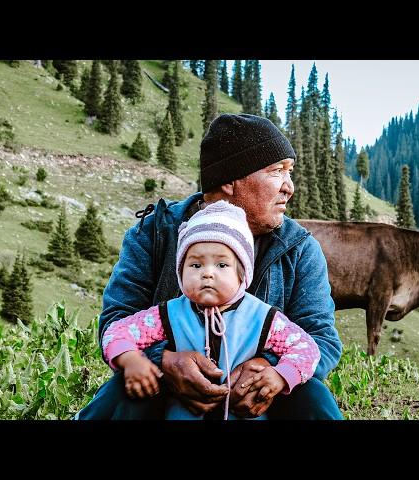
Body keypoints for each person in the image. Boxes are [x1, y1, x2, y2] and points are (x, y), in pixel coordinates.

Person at [76, 113, 343, 420]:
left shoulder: (298, 248)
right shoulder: (156, 232)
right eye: (276, 171)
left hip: (260, 399)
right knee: (125, 389)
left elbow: (321, 340)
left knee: (312, 395)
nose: (289, 187)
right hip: (166, 394)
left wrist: (269, 369)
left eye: (289, 171)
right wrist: (163, 361)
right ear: (230, 181)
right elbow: (116, 322)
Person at [86, 200, 320, 419]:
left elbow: (307, 349)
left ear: (242, 274)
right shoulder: (166, 315)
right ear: (181, 272)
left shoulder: (264, 318)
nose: (207, 273)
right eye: (195, 264)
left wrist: (280, 375)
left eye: (222, 265)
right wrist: (130, 359)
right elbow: (117, 332)